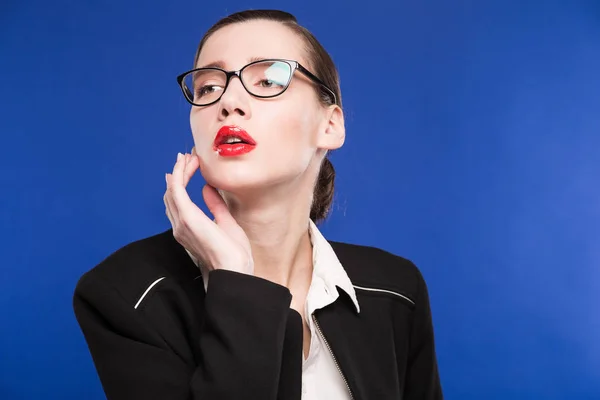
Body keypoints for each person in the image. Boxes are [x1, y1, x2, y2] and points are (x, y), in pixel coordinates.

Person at [73, 9, 443, 400]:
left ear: (330, 125)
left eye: (268, 79)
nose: (229, 102)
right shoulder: (128, 293)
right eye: (208, 88)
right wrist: (236, 284)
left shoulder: (396, 289)